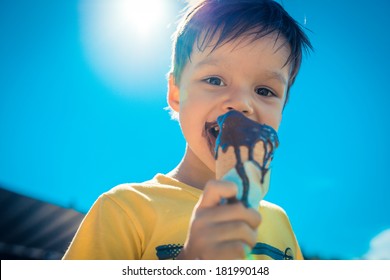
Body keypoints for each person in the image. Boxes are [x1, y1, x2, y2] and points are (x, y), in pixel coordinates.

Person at [63, 0, 312, 260]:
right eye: (215, 80)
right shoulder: (125, 209)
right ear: (176, 93)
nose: (241, 103)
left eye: (264, 91)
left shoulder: (280, 222)